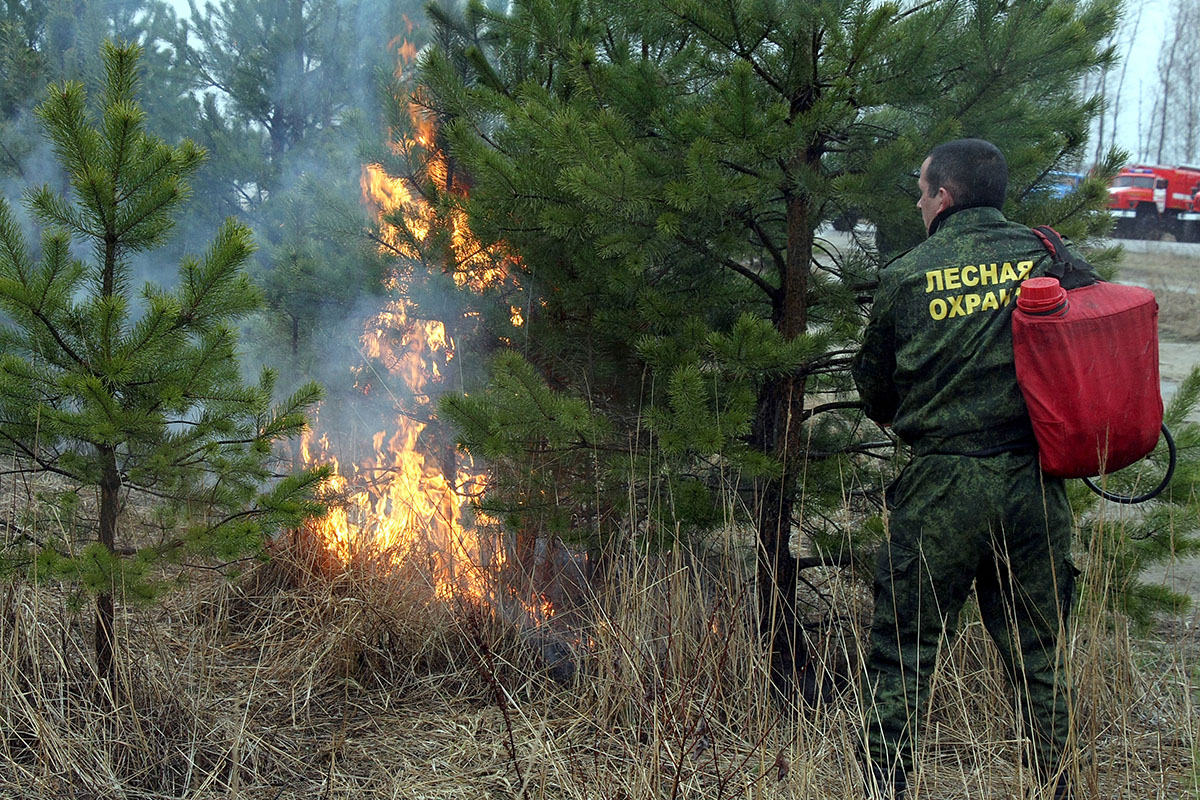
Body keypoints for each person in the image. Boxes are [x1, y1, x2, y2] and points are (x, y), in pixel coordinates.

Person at [851, 139, 1077, 800]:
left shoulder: (907, 275)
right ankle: (1058, 787)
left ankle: (885, 789)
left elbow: (875, 392)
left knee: (904, 655)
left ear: (943, 197)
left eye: (922, 192)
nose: (919, 203)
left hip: (942, 487)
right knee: (1039, 657)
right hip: (1033, 484)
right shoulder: (1045, 256)